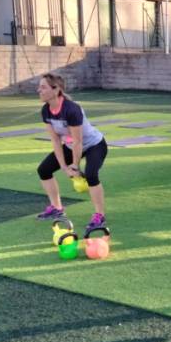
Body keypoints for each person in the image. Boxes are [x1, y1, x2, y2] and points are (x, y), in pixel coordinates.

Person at [35, 73, 109, 231]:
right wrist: (63, 167)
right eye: (39, 87)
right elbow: (56, 141)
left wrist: (75, 166)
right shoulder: (46, 110)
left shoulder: (71, 109)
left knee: (91, 174)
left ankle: (99, 215)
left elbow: (78, 141)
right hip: (70, 146)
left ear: (56, 89)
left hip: (94, 145)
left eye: (43, 87)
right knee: (44, 170)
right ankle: (57, 208)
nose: (39, 90)